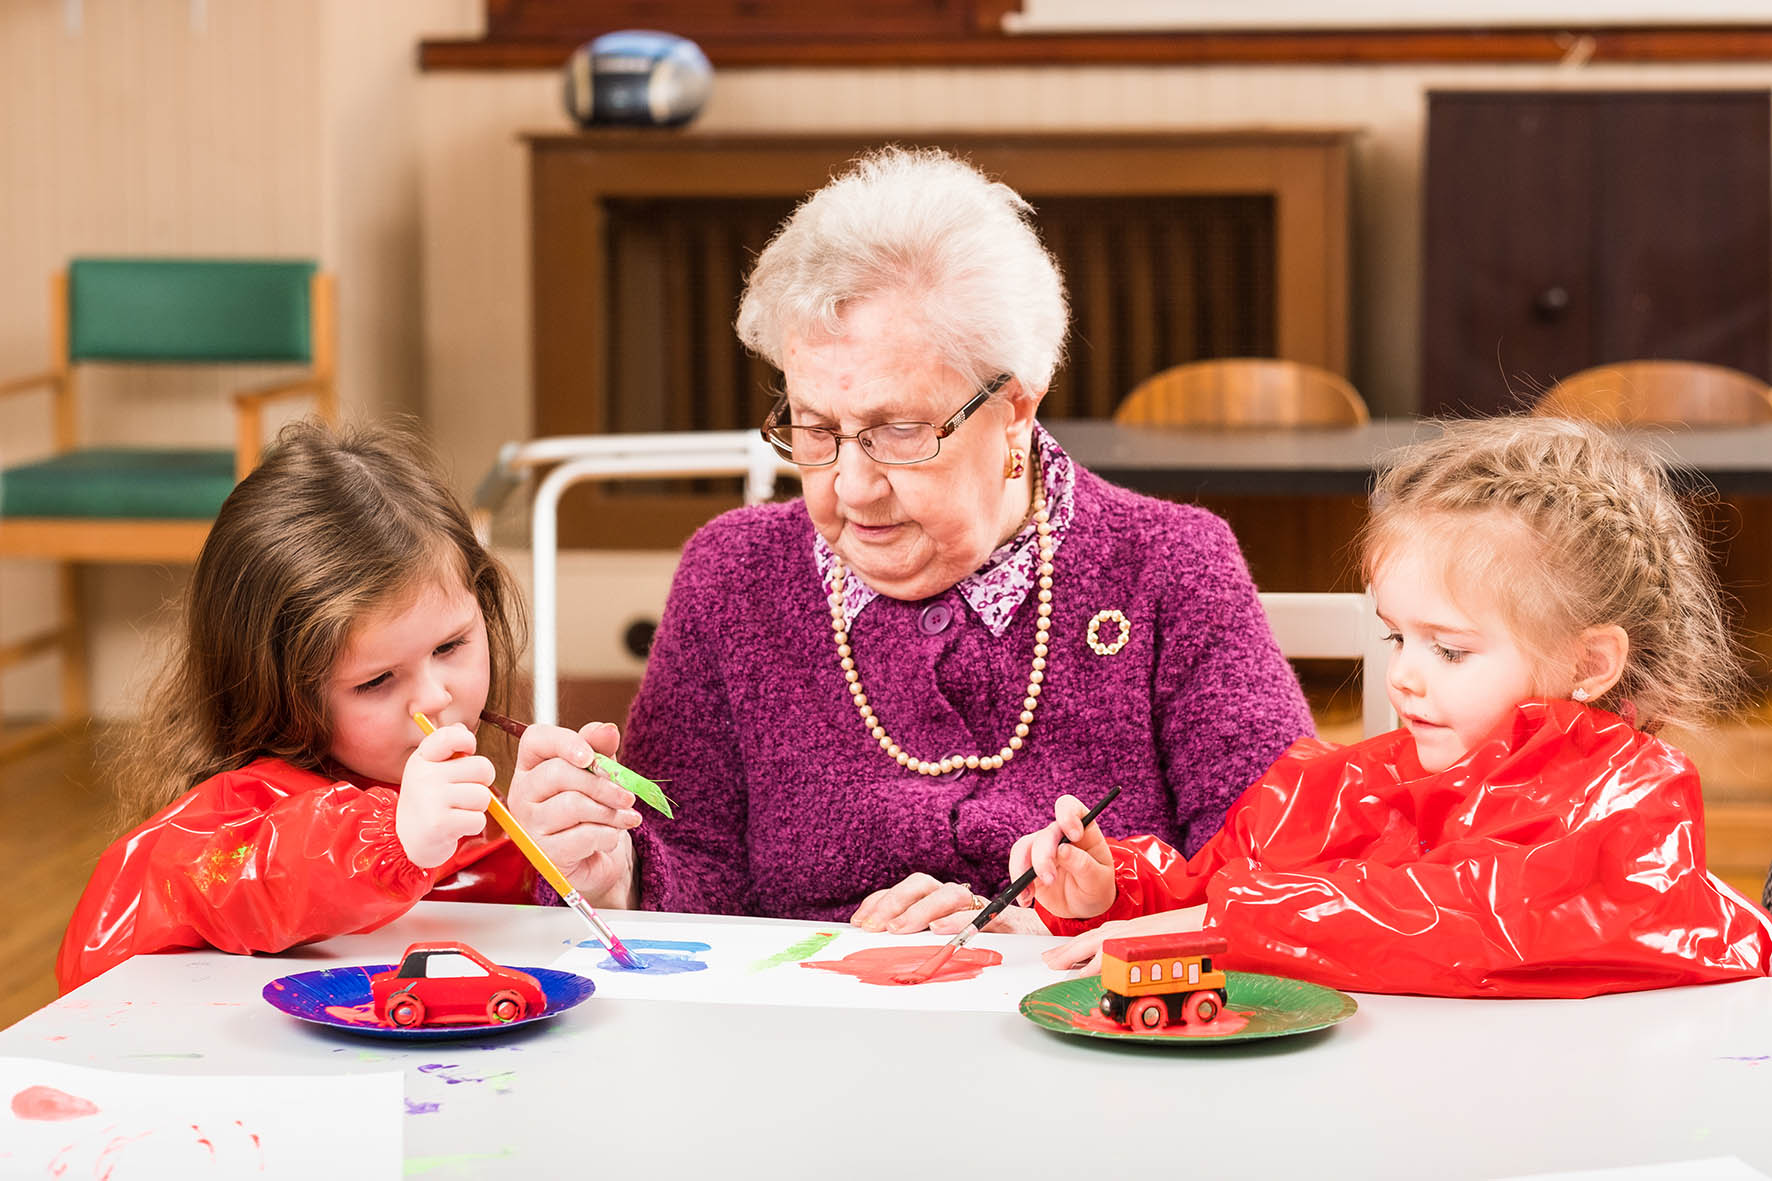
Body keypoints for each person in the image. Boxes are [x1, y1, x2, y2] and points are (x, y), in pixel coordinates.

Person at [504, 146, 1314, 932]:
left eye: (897, 431)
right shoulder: (734, 575)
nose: (851, 486)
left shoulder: (1171, 566)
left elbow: (1281, 872)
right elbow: (693, 870)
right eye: (815, 429)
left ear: (1016, 410)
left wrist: (1075, 934)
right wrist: (615, 872)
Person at [1014, 416, 1772, 997]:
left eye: (1449, 649)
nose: (1403, 675)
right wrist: (1115, 891)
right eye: (1396, 636)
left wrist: (1225, 924)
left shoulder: (1632, 801)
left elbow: (1467, 915)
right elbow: (1223, 881)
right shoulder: (1347, 784)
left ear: (1590, 663)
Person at [57, 421, 535, 992]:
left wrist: (554, 853)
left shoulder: (449, 792)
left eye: (451, 645)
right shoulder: (240, 812)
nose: (434, 696)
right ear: (277, 692)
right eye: (377, 680)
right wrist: (388, 843)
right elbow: (226, 881)